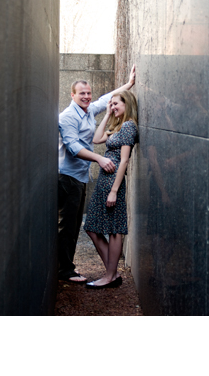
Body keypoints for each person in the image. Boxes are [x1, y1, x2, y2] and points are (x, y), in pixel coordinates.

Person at [58, 65, 136, 283]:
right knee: (68, 226)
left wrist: (128, 85)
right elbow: (73, 147)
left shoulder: (89, 110)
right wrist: (100, 159)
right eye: (81, 93)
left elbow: (106, 99)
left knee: (75, 225)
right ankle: (65, 270)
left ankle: (108, 273)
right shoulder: (67, 117)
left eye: (88, 93)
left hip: (81, 177)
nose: (86, 97)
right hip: (67, 176)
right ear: (72, 95)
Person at [84, 88, 138, 289]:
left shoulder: (129, 127)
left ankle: (109, 275)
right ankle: (111, 272)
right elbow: (96, 139)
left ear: (127, 104)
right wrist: (107, 113)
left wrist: (114, 190)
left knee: (115, 230)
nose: (113, 106)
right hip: (104, 182)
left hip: (113, 182)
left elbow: (124, 161)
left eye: (116, 104)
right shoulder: (119, 126)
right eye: (112, 103)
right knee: (91, 228)